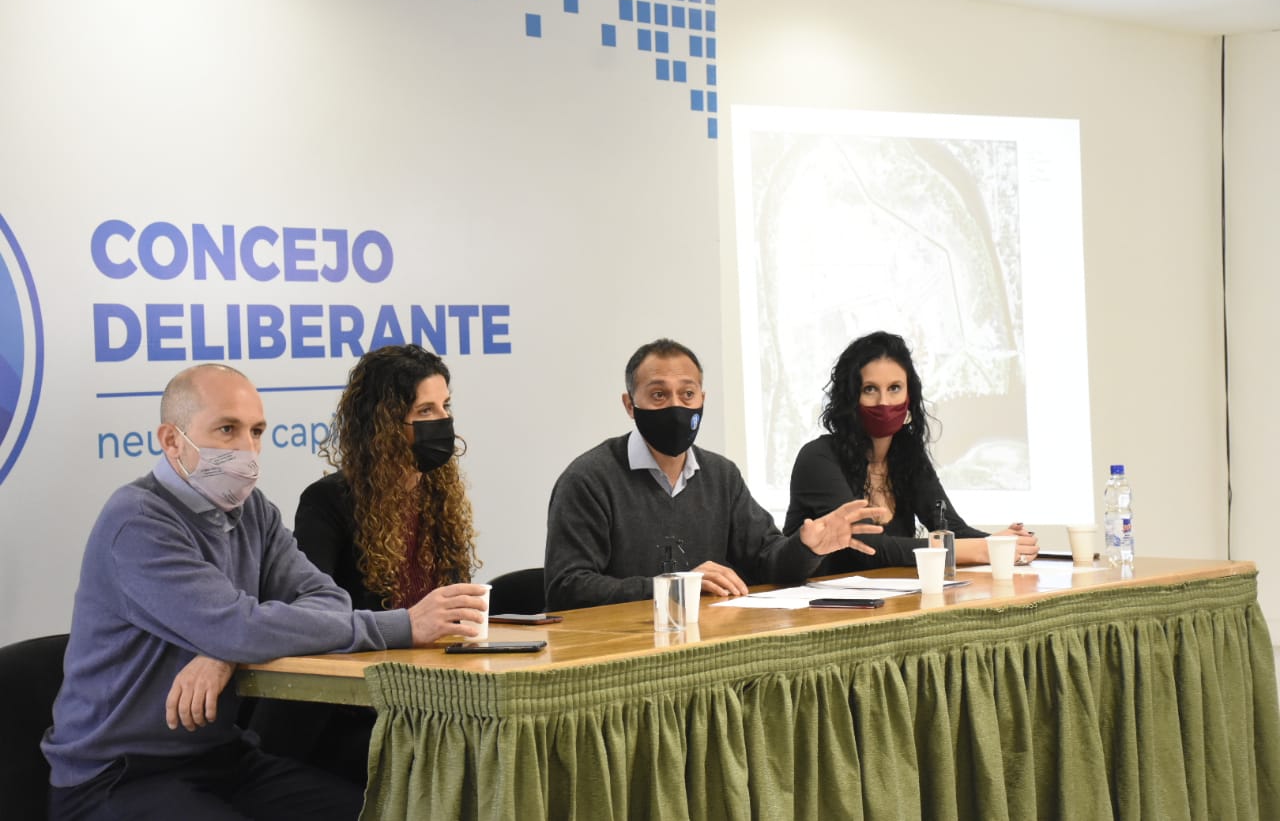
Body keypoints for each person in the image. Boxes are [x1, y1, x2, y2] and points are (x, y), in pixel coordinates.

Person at [42, 363, 488, 821]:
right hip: (120, 775)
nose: (247, 448)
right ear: (172, 440)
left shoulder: (253, 509)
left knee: (374, 813)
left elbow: (325, 598)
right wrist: (404, 625)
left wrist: (225, 649)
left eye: (256, 431)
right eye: (227, 429)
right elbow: (236, 627)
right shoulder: (137, 521)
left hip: (224, 757)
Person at [250, 344, 479, 782]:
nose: (443, 422)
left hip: (426, 696)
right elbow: (312, 620)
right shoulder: (329, 503)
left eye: (445, 407)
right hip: (347, 709)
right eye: (425, 410)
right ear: (386, 424)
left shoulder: (439, 496)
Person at [544, 338, 889, 610]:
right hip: (620, 656)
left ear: (702, 399)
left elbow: (766, 561)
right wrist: (676, 586)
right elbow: (567, 587)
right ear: (630, 404)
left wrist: (807, 547)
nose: (676, 405)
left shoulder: (721, 475)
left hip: (709, 645)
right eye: (659, 394)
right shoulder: (589, 479)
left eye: (688, 394)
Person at [784, 331, 1039, 574]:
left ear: (910, 395)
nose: (884, 402)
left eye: (894, 388)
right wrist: (985, 550)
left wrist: (1006, 543)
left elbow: (952, 530)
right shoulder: (817, 458)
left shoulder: (907, 454)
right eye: (870, 389)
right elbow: (871, 551)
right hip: (817, 609)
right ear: (849, 398)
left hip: (889, 602)